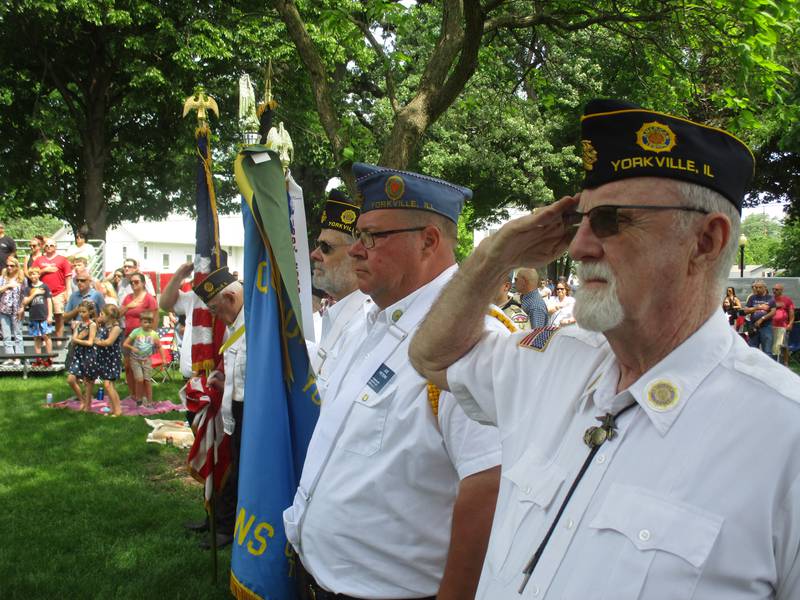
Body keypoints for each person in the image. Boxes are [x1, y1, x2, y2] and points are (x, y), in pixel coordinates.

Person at [409, 99, 800, 598]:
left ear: (705, 241)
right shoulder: (550, 361)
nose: (578, 247)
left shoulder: (784, 436)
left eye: (611, 221)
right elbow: (432, 358)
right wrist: (496, 253)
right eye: (581, 221)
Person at [284, 163, 502, 600]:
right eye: (358, 236)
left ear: (429, 241)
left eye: (372, 237)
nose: (356, 251)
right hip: (318, 579)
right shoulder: (367, 321)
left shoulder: (473, 339)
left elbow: (489, 488)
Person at [190, 267, 245, 550]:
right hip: (233, 408)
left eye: (216, 308)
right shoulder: (236, 324)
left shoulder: (256, 323)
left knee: (239, 472)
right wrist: (223, 380)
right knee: (228, 465)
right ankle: (220, 520)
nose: (214, 317)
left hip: (251, 412)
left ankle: (228, 526)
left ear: (231, 297)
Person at [307, 189, 371, 398]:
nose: (314, 254)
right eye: (318, 244)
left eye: (326, 247)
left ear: (357, 253)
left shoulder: (368, 324)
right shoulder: (333, 316)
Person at [119, 272, 158, 398]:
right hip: (128, 336)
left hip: (143, 338)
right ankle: (133, 394)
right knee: (128, 366)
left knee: (141, 368)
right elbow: (118, 314)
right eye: (132, 282)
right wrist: (128, 306)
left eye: (136, 282)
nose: (134, 284)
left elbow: (155, 318)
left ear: (143, 283)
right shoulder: (128, 298)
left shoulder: (149, 299)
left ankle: (144, 396)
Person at [158, 261, 195, 380]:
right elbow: (164, 304)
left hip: (216, 373)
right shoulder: (193, 297)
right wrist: (179, 275)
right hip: (191, 373)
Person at [122, 310, 165, 405]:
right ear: (140, 322)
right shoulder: (136, 332)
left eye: (150, 322)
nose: (147, 324)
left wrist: (163, 359)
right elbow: (125, 344)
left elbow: (159, 346)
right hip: (135, 360)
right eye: (145, 322)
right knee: (139, 379)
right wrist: (132, 347)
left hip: (146, 360)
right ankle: (139, 399)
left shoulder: (154, 334)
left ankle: (149, 401)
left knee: (147, 380)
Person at [32, 239, 72, 339]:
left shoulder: (62, 259)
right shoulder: (39, 260)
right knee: (43, 316)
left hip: (59, 291)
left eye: (52, 245)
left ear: (56, 247)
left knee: (59, 315)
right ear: (44, 247)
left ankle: (59, 338)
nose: (49, 247)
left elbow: (68, 277)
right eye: (47, 245)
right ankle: (45, 338)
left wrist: (68, 291)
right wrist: (45, 270)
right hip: (42, 292)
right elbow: (32, 273)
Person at [67, 300, 98, 411]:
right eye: (80, 312)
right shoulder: (79, 324)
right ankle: (82, 400)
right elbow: (72, 341)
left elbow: (90, 342)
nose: (81, 314)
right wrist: (78, 338)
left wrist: (77, 339)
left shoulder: (92, 325)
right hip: (78, 354)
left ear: (89, 312)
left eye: (84, 312)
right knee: (71, 379)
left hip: (88, 355)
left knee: (88, 381)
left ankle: (88, 405)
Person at [94, 305, 123, 417]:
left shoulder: (116, 328)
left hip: (112, 359)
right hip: (106, 359)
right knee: (110, 385)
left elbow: (109, 342)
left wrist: (97, 341)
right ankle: (112, 408)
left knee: (107, 384)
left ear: (110, 316)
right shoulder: (107, 326)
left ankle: (118, 410)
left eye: (102, 314)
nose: (100, 315)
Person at [22, 267, 54, 366]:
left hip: (44, 315)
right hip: (33, 316)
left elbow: (49, 301)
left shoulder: (45, 286)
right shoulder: (28, 288)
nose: (33, 276)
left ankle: (49, 358)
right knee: (36, 338)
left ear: (39, 275)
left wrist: (50, 315)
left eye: (35, 274)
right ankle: (38, 359)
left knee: (46, 336)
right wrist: (34, 293)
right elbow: (25, 302)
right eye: (31, 274)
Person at [0, 256, 26, 363]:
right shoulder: (2, 278)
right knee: (6, 335)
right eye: (8, 266)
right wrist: (8, 286)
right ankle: (9, 357)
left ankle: (18, 357)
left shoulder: (21, 279)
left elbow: (24, 295)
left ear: (16, 266)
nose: (9, 268)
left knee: (18, 334)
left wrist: (23, 308)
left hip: (17, 310)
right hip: (3, 309)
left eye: (12, 265)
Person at [743, 279, 776, 357]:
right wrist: (757, 307)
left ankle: (767, 368)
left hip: (766, 326)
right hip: (753, 326)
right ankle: (752, 367)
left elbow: (773, 312)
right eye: (756, 287)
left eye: (760, 287)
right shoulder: (752, 298)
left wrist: (762, 319)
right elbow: (746, 311)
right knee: (752, 349)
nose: (757, 289)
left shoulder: (770, 298)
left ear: (765, 288)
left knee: (767, 350)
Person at [771, 283, 795, 366]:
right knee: (774, 346)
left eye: (776, 289)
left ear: (781, 290)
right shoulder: (770, 299)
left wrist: (790, 323)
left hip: (782, 326)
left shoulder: (787, 300)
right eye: (773, 289)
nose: (774, 291)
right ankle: (774, 363)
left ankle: (785, 362)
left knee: (784, 345)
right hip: (771, 325)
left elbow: (791, 313)